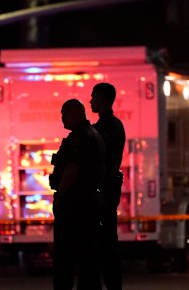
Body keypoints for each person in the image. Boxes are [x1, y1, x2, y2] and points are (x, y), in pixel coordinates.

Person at [50, 99, 106, 290]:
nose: (62, 119)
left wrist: (61, 196)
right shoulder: (95, 135)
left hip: (74, 205)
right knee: (89, 257)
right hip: (90, 203)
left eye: (64, 114)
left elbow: (72, 168)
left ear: (76, 113)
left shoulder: (78, 138)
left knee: (65, 258)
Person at [90, 82, 126, 290]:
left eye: (94, 97)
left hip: (104, 190)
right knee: (107, 242)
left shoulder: (104, 128)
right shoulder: (114, 125)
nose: (91, 101)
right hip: (109, 189)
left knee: (103, 244)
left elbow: (99, 159)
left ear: (103, 100)